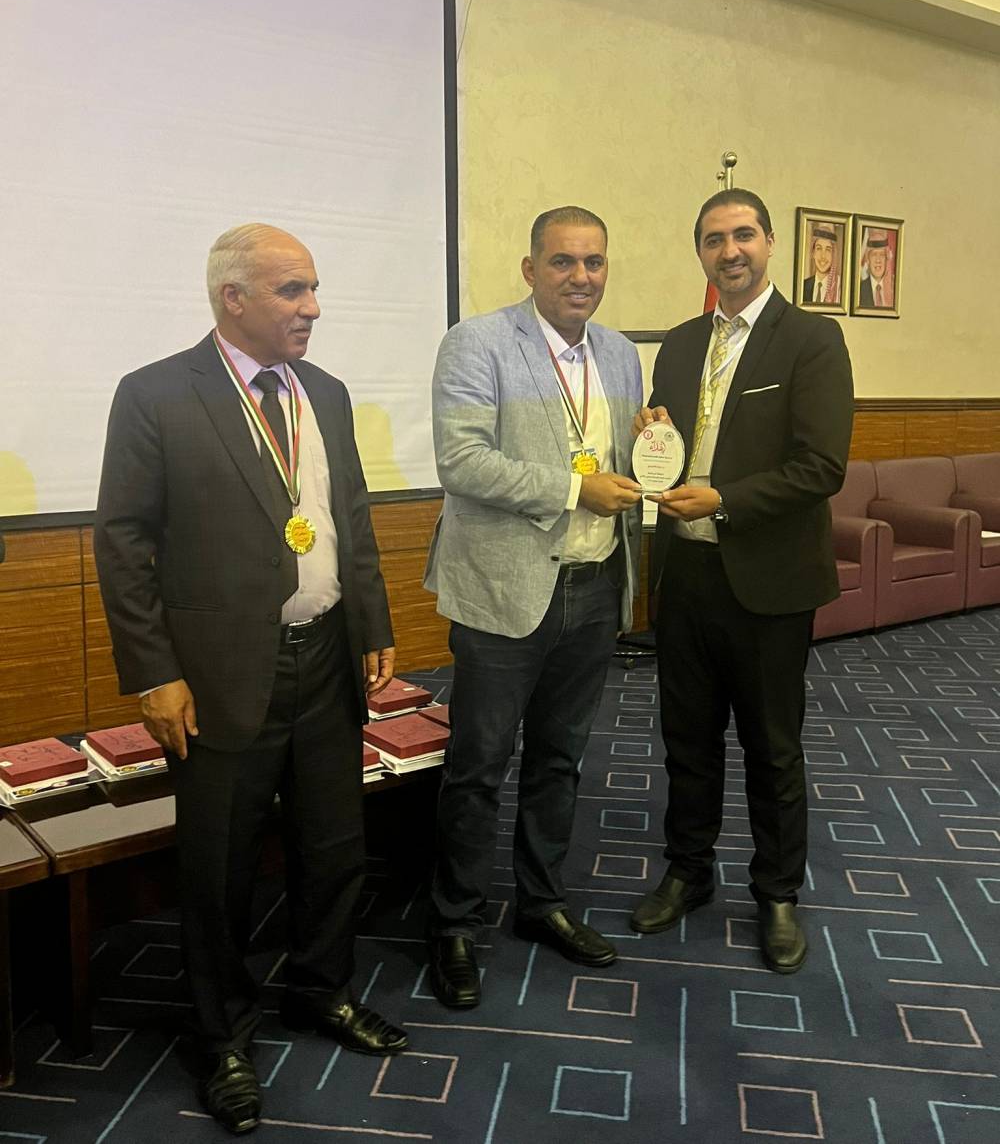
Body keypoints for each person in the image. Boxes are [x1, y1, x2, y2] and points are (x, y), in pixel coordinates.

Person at [94, 223, 407, 1137]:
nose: (314, 308)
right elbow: (123, 542)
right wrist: (155, 673)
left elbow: (349, 514)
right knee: (220, 864)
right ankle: (222, 1035)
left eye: (314, 289)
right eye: (292, 290)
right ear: (233, 297)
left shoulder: (326, 392)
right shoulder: (155, 393)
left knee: (333, 844)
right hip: (221, 673)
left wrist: (374, 622)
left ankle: (321, 988)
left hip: (328, 658)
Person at [423, 206, 644, 1009]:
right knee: (478, 765)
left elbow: (619, 461)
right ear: (530, 268)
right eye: (562, 261)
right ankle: (453, 921)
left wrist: (650, 441)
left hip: (594, 585)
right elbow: (462, 461)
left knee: (560, 759)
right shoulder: (477, 343)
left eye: (594, 262)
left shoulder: (620, 354)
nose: (580, 277)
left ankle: (542, 902)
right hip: (503, 591)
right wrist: (574, 487)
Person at [630, 189, 853, 975]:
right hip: (685, 573)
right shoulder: (681, 343)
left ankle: (777, 892)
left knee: (772, 747)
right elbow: (668, 442)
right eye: (714, 239)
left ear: (768, 244)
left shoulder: (812, 339)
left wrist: (723, 499)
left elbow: (821, 466)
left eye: (744, 234)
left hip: (768, 582)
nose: (730, 250)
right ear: (700, 252)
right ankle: (688, 869)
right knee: (686, 739)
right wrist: (651, 436)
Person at [801, 224, 839, 305]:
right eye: (819, 248)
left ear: (833, 255)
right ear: (813, 253)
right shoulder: (803, 286)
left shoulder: (839, 288)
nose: (823, 256)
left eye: (828, 250)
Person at [857, 228, 893, 308]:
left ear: (887, 259)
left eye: (882, 255)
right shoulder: (858, 291)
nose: (878, 260)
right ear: (868, 259)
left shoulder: (894, 290)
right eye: (874, 255)